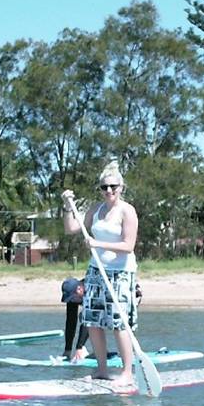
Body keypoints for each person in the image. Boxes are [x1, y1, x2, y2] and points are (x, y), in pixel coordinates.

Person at [61, 160, 140, 388]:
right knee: (93, 320)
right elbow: (71, 229)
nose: (108, 191)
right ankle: (102, 370)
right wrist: (68, 205)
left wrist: (98, 243)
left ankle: (127, 372)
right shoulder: (96, 209)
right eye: (104, 187)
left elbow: (128, 245)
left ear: (121, 187)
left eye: (113, 186)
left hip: (120, 273)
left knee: (118, 323)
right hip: (96, 271)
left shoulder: (127, 211)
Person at [61, 277, 90, 361]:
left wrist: (79, 347)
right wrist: (67, 350)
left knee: (87, 317)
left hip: (111, 301)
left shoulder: (90, 291)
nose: (72, 301)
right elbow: (71, 322)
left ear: (79, 289)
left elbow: (88, 320)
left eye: (73, 298)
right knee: (79, 317)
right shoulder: (73, 295)